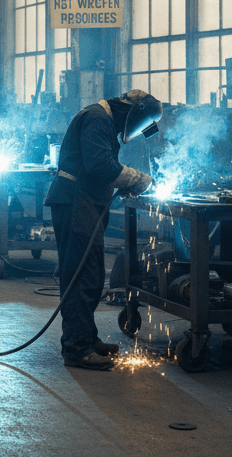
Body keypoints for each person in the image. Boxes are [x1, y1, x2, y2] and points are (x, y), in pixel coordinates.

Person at [45, 90, 161, 370]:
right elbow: (99, 164)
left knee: (92, 275)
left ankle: (86, 337)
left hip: (83, 202)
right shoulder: (96, 119)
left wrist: (125, 182)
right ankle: (77, 349)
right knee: (81, 275)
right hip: (75, 203)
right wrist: (136, 178)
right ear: (132, 112)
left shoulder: (102, 121)